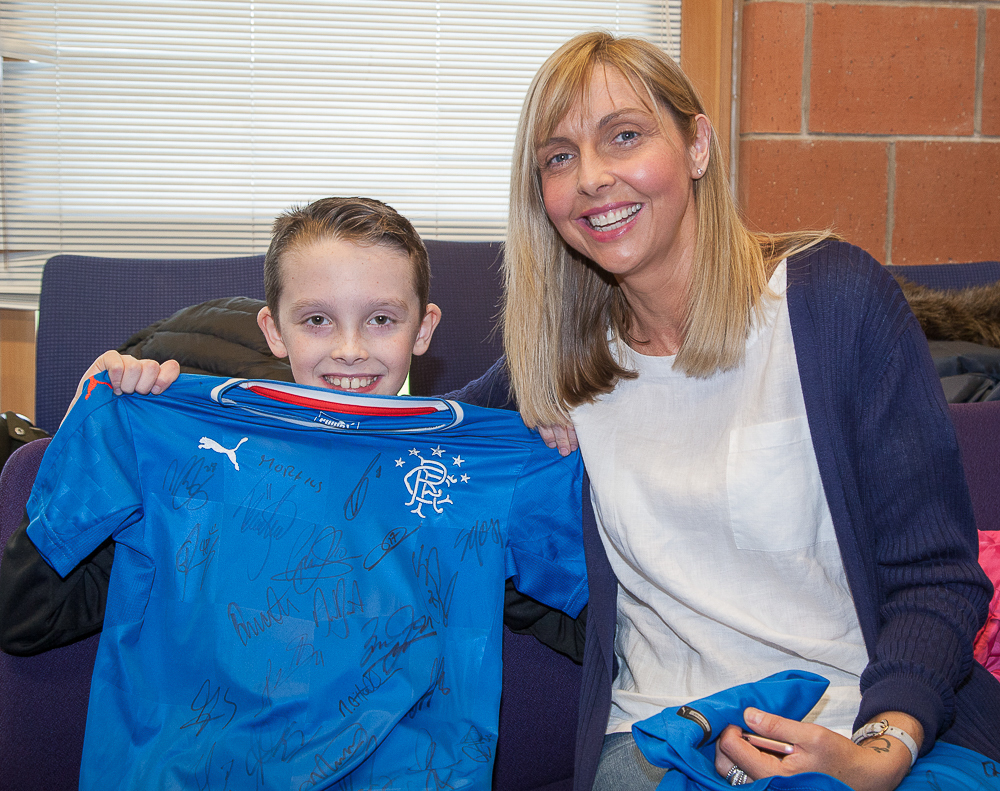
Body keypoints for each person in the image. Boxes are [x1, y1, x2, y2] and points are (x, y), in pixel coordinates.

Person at [450, 30, 1000, 791]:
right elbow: (396, 450)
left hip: (855, 724)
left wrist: (883, 747)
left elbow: (935, 572)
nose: (593, 177)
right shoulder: (554, 362)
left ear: (697, 145)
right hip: (657, 740)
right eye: (559, 157)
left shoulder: (832, 303)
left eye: (624, 136)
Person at [0, 196, 588, 789]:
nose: (350, 349)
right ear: (273, 330)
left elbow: (602, 632)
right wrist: (87, 435)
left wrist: (575, 452)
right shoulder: (180, 453)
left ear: (424, 328)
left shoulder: (468, 481)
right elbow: (23, 617)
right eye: (317, 320)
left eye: (381, 319)